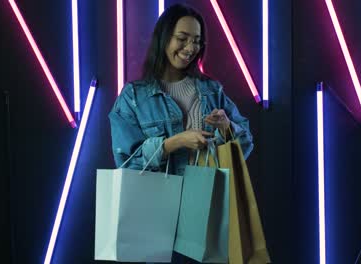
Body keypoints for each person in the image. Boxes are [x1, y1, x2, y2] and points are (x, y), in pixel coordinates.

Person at [108, 3, 253, 263]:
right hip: (155, 216)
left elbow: (245, 145)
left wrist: (226, 128)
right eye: (182, 38)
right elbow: (127, 163)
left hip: (207, 213)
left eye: (196, 41)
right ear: (164, 37)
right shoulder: (133, 97)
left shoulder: (211, 90)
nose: (189, 48)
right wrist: (173, 143)